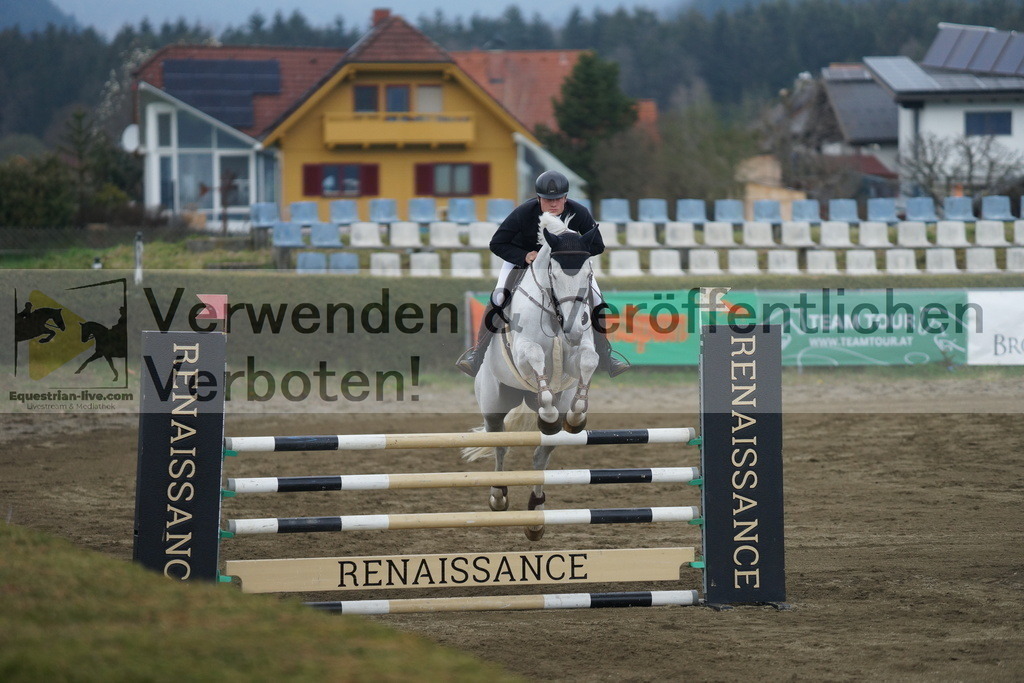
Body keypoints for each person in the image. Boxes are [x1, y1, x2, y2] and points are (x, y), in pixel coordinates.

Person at [455, 170, 630, 378]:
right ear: (539, 198)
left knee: (598, 300)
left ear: (565, 198)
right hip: (522, 262)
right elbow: (497, 243)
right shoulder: (524, 213)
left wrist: (569, 256)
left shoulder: (579, 212)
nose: (553, 204)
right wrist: (524, 255)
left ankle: (606, 356)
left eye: (557, 199)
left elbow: (598, 245)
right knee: (499, 297)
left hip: (565, 269)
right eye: (547, 200)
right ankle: (477, 355)